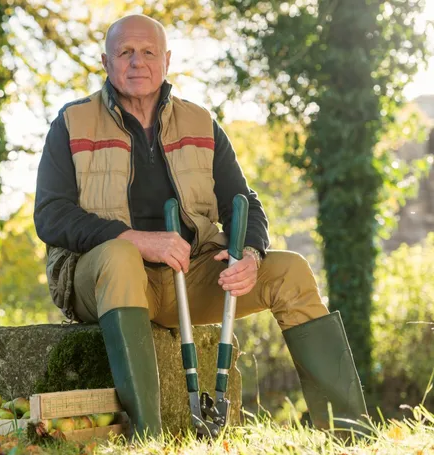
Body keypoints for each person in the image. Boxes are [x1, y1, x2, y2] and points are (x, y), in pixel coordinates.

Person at [33, 14, 369, 440]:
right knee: (120, 256)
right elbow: (51, 214)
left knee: (291, 271)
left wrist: (250, 253)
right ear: (106, 61)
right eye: (126, 52)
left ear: (167, 61)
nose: (138, 62)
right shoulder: (72, 122)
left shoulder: (200, 123)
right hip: (102, 282)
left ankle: (351, 433)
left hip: (186, 277)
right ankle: (147, 438)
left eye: (149, 52)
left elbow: (244, 204)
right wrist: (137, 240)